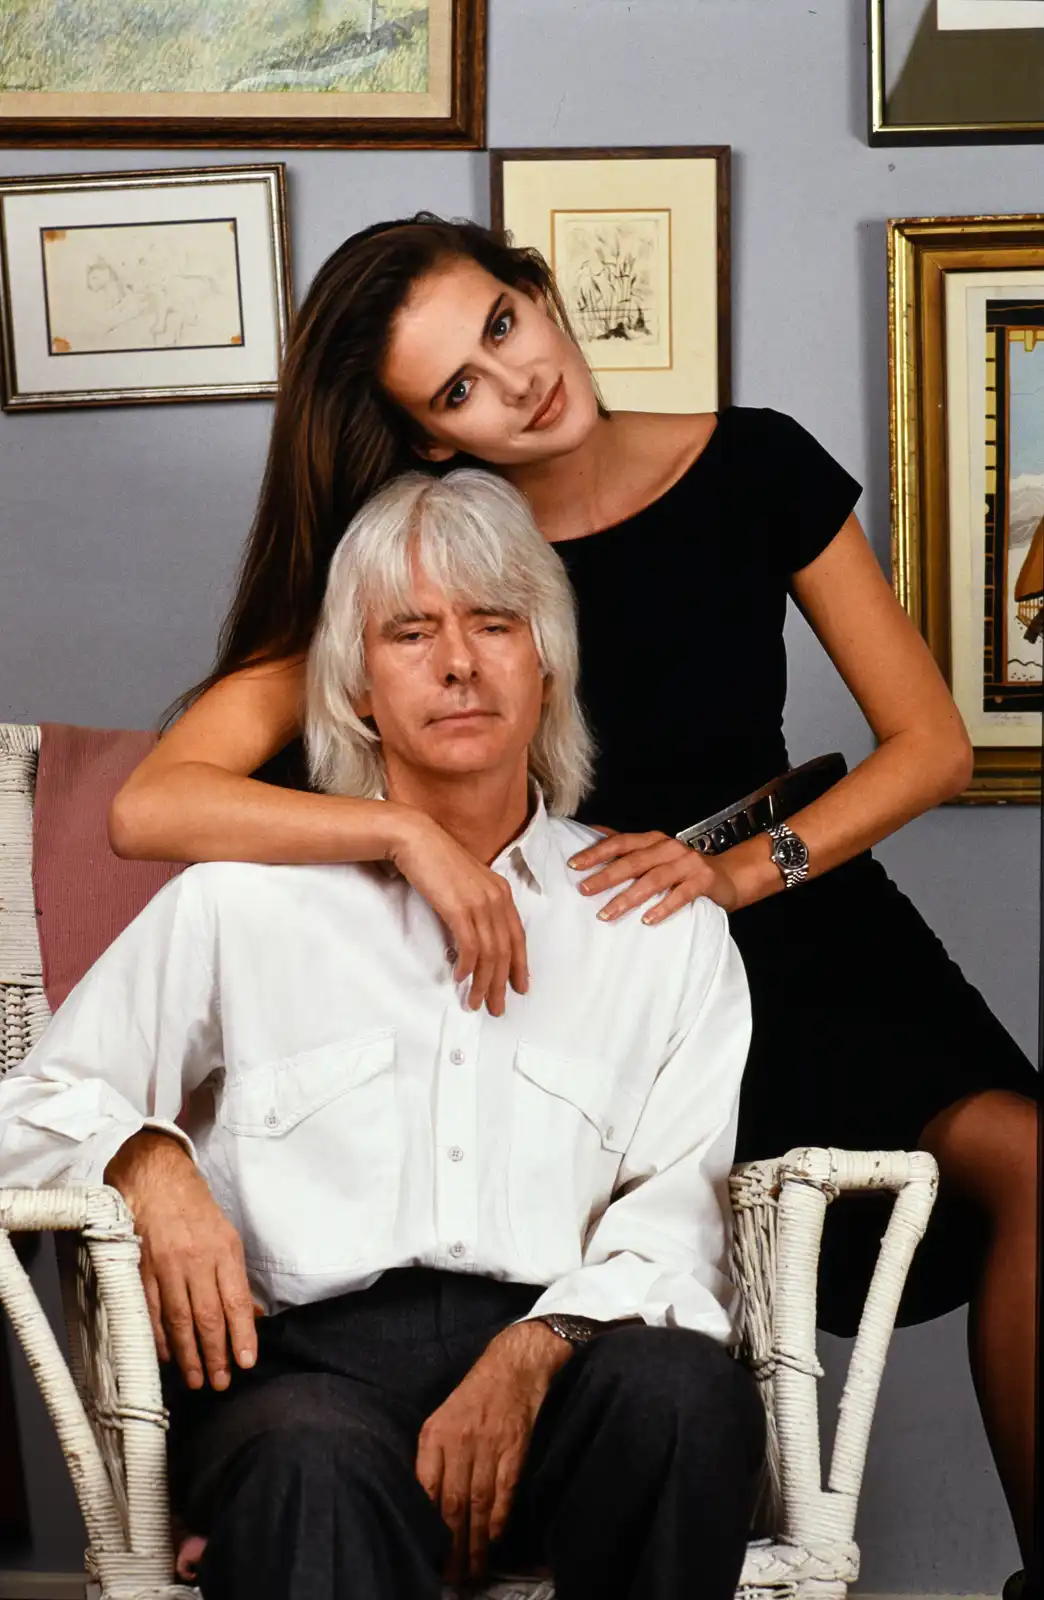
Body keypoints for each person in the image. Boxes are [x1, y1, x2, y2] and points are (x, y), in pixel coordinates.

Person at [107, 215, 1041, 1596]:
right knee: (648, 1300)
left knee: (1033, 1159)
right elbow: (152, 806)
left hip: (794, 912)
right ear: (428, 438)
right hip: (592, 957)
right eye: (459, 388)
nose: (518, 380)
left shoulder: (756, 464)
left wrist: (740, 874)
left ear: (537, 289)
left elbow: (932, 747)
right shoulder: (438, 568)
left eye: (502, 324)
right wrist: (403, 839)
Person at [0, 470, 763, 1600]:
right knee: (308, 1466)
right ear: (356, 691)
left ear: (546, 667)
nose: (458, 662)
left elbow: (680, 1221)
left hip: (559, 1361)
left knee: (687, 1395)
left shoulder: (658, 927)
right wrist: (146, 1159)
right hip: (300, 1379)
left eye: (494, 623)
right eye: (411, 632)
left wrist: (530, 1356)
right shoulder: (240, 903)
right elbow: (25, 1112)